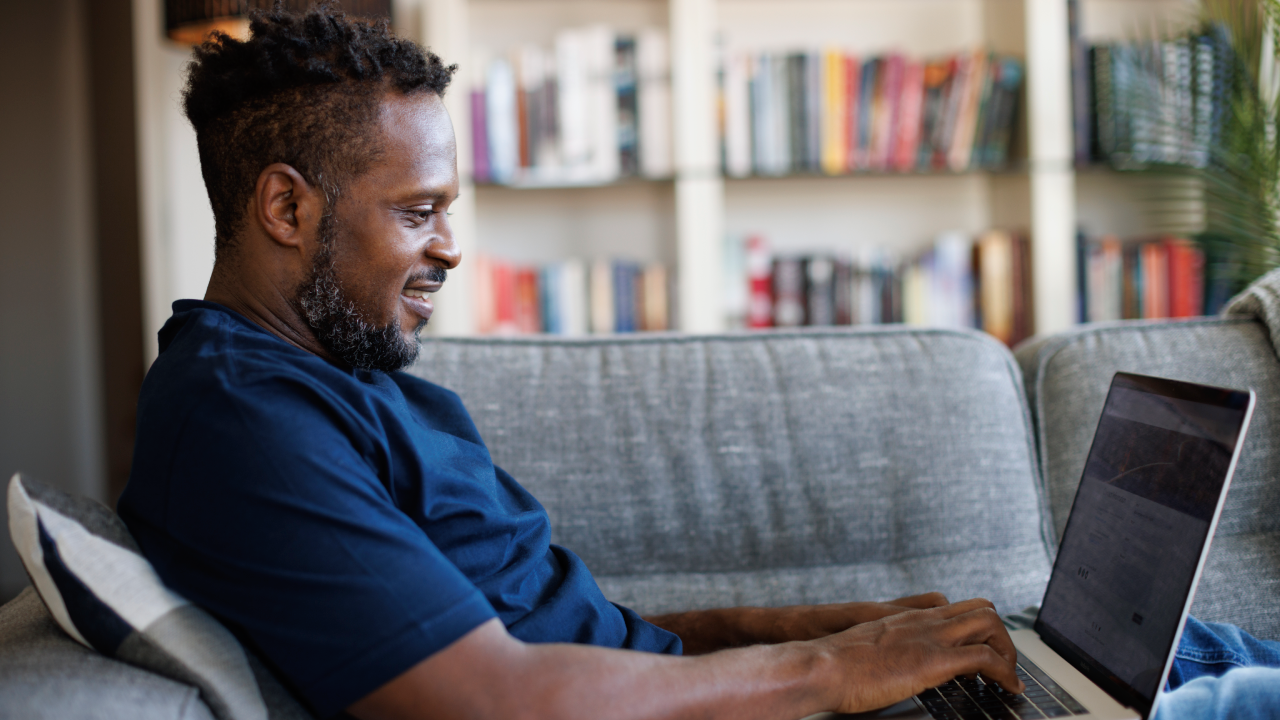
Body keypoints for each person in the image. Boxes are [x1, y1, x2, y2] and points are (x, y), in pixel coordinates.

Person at [115, 5, 1275, 720]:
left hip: (711, 698)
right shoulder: (239, 422)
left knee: (1170, 656)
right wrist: (833, 675)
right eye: (417, 211)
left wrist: (843, 628)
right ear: (283, 205)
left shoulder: (340, 380)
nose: (451, 245)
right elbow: (501, 698)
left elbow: (597, 636)